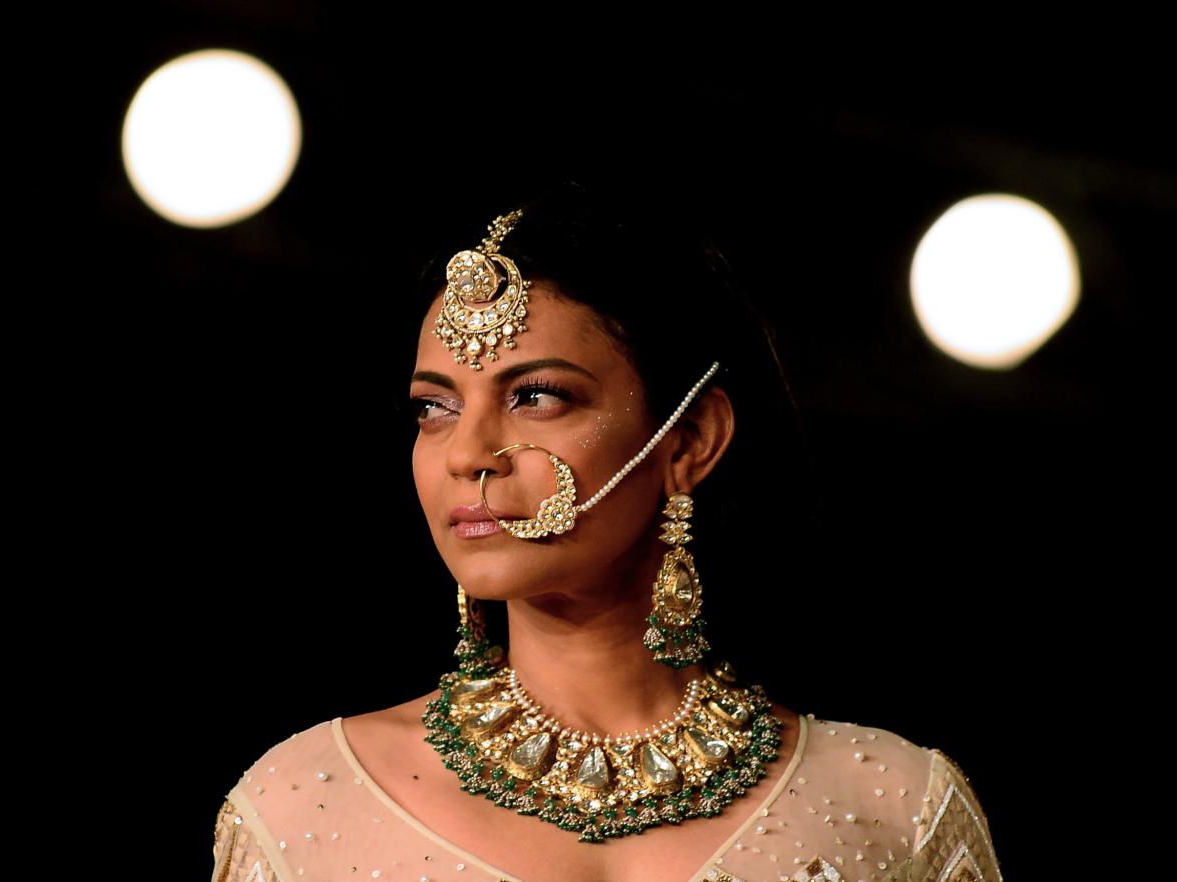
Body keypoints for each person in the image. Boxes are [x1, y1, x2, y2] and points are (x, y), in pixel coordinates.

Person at [209, 181, 1005, 882]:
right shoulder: (306, 802)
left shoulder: (890, 806)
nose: (468, 455)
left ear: (690, 441)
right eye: (434, 407)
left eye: (537, 397)